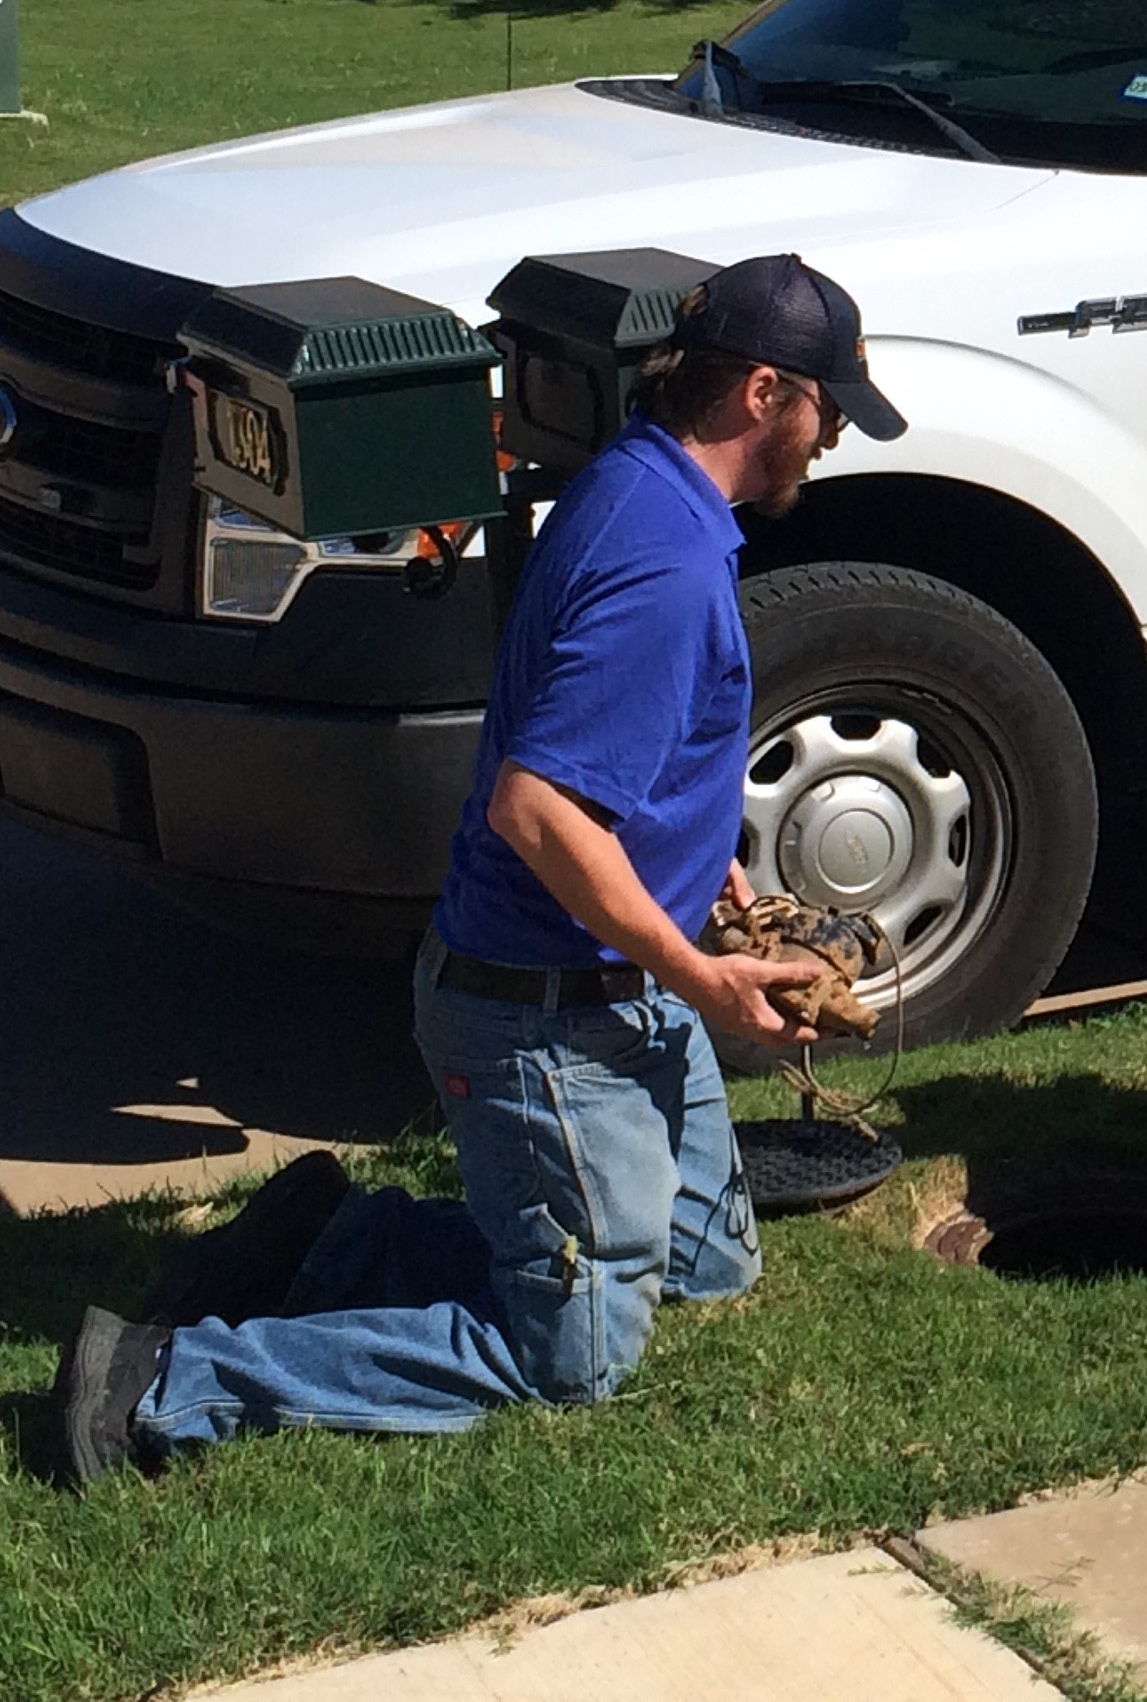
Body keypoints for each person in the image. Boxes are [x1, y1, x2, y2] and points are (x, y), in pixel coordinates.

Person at [51, 254, 907, 1486]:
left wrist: (696, 858)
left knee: (709, 1265)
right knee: (571, 1357)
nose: (829, 439)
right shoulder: (666, 567)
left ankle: (338, 1243)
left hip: (618, 992)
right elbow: (539, 808)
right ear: (764, 393)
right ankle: (168, 1386)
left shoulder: (641, 486)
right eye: (827, 407)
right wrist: (696, 973)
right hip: (544, 1019)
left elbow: (607, 740)